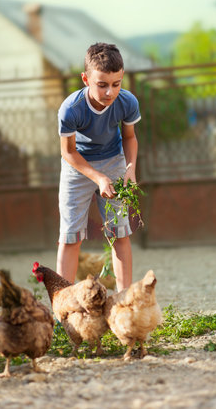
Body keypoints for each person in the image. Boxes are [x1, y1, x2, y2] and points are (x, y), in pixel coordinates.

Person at [57, 43, 141, 291]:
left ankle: (124, 300)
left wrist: (130, 169)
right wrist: (98, 178)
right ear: (86, 79)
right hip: (78, 166)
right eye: (102, 84)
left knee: (119, 233)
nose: (110, 92)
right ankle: (63, 307)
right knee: (70, 236)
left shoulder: (127, 102)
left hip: (114, 160)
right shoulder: (71, 109)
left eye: (117, 84)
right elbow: (68, 152)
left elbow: (129, 137)